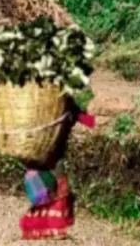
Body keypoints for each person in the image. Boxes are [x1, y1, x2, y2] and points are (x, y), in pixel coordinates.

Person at [19, 96, 95, 241]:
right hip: (48, 159)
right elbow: (89, 121)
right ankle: (49, 230)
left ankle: (41, 230)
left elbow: (88, 121)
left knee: (48, 194)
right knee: (55, 193)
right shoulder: (64, 106)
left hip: (39, 159)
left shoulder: (54, 106)